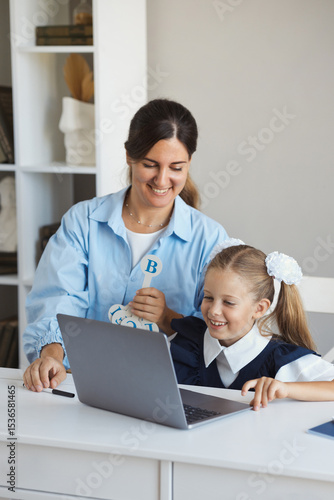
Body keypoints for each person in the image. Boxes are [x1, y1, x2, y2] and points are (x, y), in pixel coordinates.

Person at [23, 98, 228, 392]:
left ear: (189, 164)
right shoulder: (84, 221)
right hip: (82, 383)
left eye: (176, 168)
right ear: (130, 156)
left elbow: (221, 331)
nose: (162, 179)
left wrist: (169, 319)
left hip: (168, 389)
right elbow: (58, 297)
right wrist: (52, 354)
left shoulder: (210, 239)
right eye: (150, 164)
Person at [170, 239, 334, 410]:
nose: (213, 311)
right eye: (208, 297)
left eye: (228, 302)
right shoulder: (186, 341)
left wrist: (286, 389)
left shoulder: (279, 359)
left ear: (259, 308)